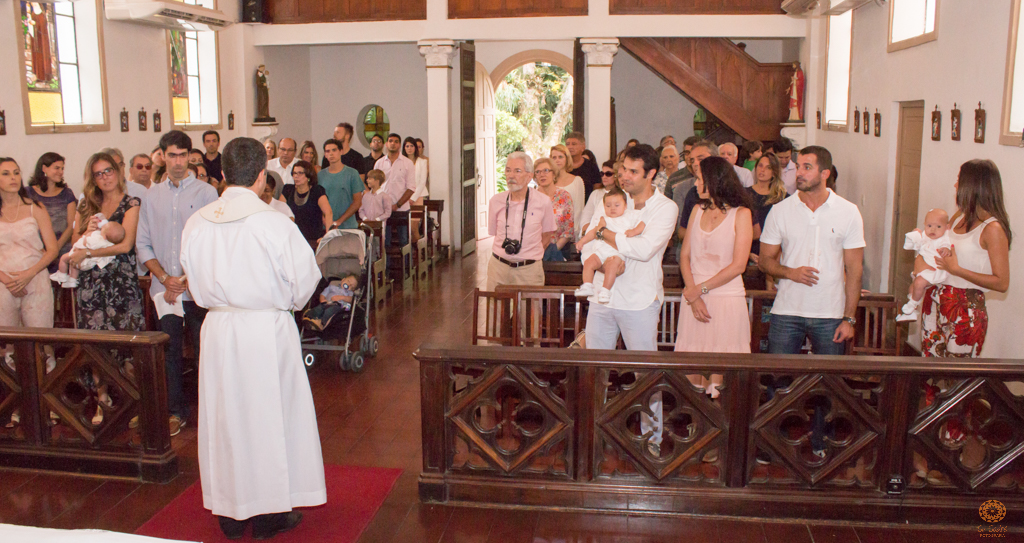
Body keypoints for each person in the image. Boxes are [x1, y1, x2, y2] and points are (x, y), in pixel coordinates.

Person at [180, 137, 325, 540]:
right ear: (263, 176)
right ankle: (267, 512)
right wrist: (284, 305)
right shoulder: (274, 222)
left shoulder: (198, 221)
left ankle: (230, 511)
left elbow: (191, 277)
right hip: (265, 329)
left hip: (219, 328)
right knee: (269, 416)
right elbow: (305, 283)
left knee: (225, 418)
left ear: (224, 174)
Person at [758, 146, 864, 458]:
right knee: (778, 381)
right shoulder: (781, 210)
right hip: (787, 310)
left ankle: (820, 443)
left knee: (826, 385)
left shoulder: (848, 211)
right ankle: (771, 444)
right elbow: (765, 261)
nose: (799, 172)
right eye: (798, 166)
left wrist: (850, 318)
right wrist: (790, 272)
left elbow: (854, 270)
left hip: (830, 312)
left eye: (806, 167)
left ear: (825, 173)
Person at [583, 144, 678, 456]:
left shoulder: (664, 208)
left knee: (645, 374)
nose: (623, 176)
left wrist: (605, 236)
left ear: (651, 174)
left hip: (639, 300)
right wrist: (599, 248)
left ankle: (651, 438)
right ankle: (593, 431)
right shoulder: (609, 200)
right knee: (595, 370)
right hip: (602, 297)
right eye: (622, 169)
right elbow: (586, 244)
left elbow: (644, 249)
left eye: (632, 172)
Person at [137, 130, 219, 437]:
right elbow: (143, 244)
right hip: (165, 291)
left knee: (203, 351)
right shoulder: (151, 196)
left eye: (183, 155)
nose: (178, 161)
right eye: (171, 155)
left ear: (190, 157)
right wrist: (165, 278)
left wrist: (184, 278)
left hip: (195, 288)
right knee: (168, 352)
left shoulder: (206, 193)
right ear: (162, 156)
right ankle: (175, 411)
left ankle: (209, 412)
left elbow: (210, 242)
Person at [676, 156, 754, 399]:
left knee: (723, 373)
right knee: (693, 369)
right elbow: (685, 255)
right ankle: (694, 426)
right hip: (693, 296)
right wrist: (693, 292)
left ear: (715, 181)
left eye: (700, 178)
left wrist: (701, 290)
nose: (696, 182)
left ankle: (722, 428)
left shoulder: (741, 214)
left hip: (725, 297)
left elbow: (738, 265)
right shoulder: (697, 210)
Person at [924, 160, 1011, 357]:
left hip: (965, 309)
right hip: (937, 300)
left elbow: (1002, 282)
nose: (955, 185)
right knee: (931, 374)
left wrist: (958, 270)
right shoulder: (959, 215)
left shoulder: (993, 228)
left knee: (957, 381)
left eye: (958, 180)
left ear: (973, 185)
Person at [71, 153, 144, 332]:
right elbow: (74, 243)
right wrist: (87, 234)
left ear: (118, 172)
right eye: (98, 174)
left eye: (108, 171)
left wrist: (88, 253)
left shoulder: (131, 203)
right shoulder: (86, 205)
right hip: (91, 282)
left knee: (125, 340)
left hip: (120, 280)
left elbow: (126, 246)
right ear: (93, 180)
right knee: (94, 344)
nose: (105, 177)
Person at [0, 157, 59, 332]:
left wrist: (28, 274)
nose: (13, 178)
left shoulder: (36, 207)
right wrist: (7, 280)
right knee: (7, 343)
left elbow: (53, 249)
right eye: (6, 173)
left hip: (35, 279)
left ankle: (48, 360)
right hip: (3, 282)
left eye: (16, 173)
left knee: (40, 339)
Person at [486, 152, 555, 290]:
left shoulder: (543, 202)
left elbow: (547, 235)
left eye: (517, 171)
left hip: (529, 270)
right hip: (498, 268)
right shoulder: (496, 201)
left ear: (529, 176)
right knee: (495, 310)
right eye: (508, 170)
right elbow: (494, 233)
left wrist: (528, 254)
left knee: (531, 311)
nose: (511, 176)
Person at [574, 187, 645, 302]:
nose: (612, 208)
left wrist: (634, 231)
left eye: (617, 205)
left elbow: (643, 223)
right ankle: (587, 285)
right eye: (608, 206)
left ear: (625, 205)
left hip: (616, 252)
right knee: (589, 262)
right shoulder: (604, 219)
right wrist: (583, 241)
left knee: (611, 268)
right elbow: (594, 232)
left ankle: (605, 290)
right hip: (600, 250)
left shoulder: (630, 216)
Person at [896, 208, 952, 322]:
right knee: (912, 288)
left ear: (947, 228)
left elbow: (948, 245)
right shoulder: (926, 236)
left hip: (934, 271)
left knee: (918, 283)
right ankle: (912, 312)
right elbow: (913, 245)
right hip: (923, 271)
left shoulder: (943, 239)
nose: (933, 230)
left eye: (938, 227)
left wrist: (946, 249)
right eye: (929, 225)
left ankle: (912, 305)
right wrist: (915, 235)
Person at [27, 152, 77, 274]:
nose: (60, 172)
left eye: (62, 168)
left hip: (62, 249)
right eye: (56, 168)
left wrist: (54, 249)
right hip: (35, 250)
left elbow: (71, 226)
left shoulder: (67, 194)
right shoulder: (28, 193)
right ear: (44, 168)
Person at [51, 218, 124, 288]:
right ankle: (72, 280)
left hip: (84, 260)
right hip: (89, 262)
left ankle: (61, 275)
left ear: (104, 235)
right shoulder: (110, 244)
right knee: (74, 264)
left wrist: (89, 234)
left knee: (64, 258)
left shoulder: (99, 239)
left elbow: (87, 243)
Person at [375, 133, 415, 246]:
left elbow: (411, 188)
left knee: (404, 241)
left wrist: (397, 205)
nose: (393, 144)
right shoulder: (379, 163)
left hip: (402, 208)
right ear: (386, 144)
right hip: (383, 209)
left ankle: (406, 264)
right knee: (384, 241)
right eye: (390, 141)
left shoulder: (407, 163)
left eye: (396, 141)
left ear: (399, 144)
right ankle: (386, 264)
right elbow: (375, 186)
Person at [747, 154, 787, 264]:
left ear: (774, 172)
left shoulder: (783, 198)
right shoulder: (743, 194)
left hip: (774, 253)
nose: (762, 170)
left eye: (768, 167)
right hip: (748, 251)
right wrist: (747, 253)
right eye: (760, 165)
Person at [533, 157, 574, 262]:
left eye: (546, 170)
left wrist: (554, 249)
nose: (542, 174)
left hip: (557, 249)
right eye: (538, 172)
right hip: (534, 250)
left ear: (554, 174)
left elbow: (568, 230)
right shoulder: (531, 198)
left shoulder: (564, 196)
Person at [281, 160, 332, 245]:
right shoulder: (288, 190)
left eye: (300, 173)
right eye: (294, 173)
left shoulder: (317, 191)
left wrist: (327, 236)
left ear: (308, 176)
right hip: (293, 240)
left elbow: (328, 212)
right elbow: (279, 210)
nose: (296, 176)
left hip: (313, 240)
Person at [321, 139, 365, 231]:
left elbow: (357, 202)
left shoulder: (352, 173)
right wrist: (324, 219)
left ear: (341, 151)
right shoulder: (320, 175)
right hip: (326, 227)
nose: (331, 154)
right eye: (327, 151)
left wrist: (340, 221)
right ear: (325, 155)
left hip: (348, 226)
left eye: (334, 150)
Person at [550, 144, 585, 237]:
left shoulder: (577, 181)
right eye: (554, 157)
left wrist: (575, 233)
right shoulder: (548, 182)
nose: (557, 160)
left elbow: (579, 209)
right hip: (551, 233)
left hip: (571, 234)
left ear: (566, 159)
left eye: (560, 157)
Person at [579, 160, 619, 235]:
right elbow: (586, 216)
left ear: (616, 175)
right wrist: (586, 232)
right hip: (592, 234)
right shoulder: (596, 193)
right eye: (602, 174)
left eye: (608, 174)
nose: (604, 177)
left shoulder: (622, 195)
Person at [403, 137, 429, 243]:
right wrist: (405, 197)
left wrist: (413, 198)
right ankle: (410, 252)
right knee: (406, 227)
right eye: (407, 146)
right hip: (404, 197)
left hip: (418, 196)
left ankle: (418, 253)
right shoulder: (401, 162)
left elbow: (422, 182)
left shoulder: (422, 162)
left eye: (412, 146)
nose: (409, 148)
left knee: (414, 226)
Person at [565, 132, 601, 197]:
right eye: (567, 144)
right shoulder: (562, 166)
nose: (570, 147)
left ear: (583, 147)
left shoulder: (591, 166)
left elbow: (597, 189)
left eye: (574, 144)